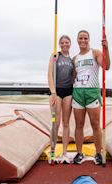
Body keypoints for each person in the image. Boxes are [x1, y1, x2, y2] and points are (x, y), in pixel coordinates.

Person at [72, 30, 110, 165]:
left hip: (92, 91)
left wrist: (106, 48)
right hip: (77, 92)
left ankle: (98, 153)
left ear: (89, 39)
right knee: (79, 125)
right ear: (77, 40)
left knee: (95, 125)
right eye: (80, 38)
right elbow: (72, 77)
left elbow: (106, 66)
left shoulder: (95, 53)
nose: (83, 40)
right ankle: (79, 153)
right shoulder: (75, 58)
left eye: (85, 38)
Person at [47, 35, 74, 163]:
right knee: (56, 123)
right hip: (56, 91)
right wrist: (52, 92)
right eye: (62, 42)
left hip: (68, 91)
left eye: (67, 42)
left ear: (70, 44)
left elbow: (73, 76)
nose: (64, 44)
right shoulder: (55, 56)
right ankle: (53, 152)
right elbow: (49, 74)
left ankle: (64, 152)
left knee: (66, 123)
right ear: (59, 44)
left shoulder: (72, 59)